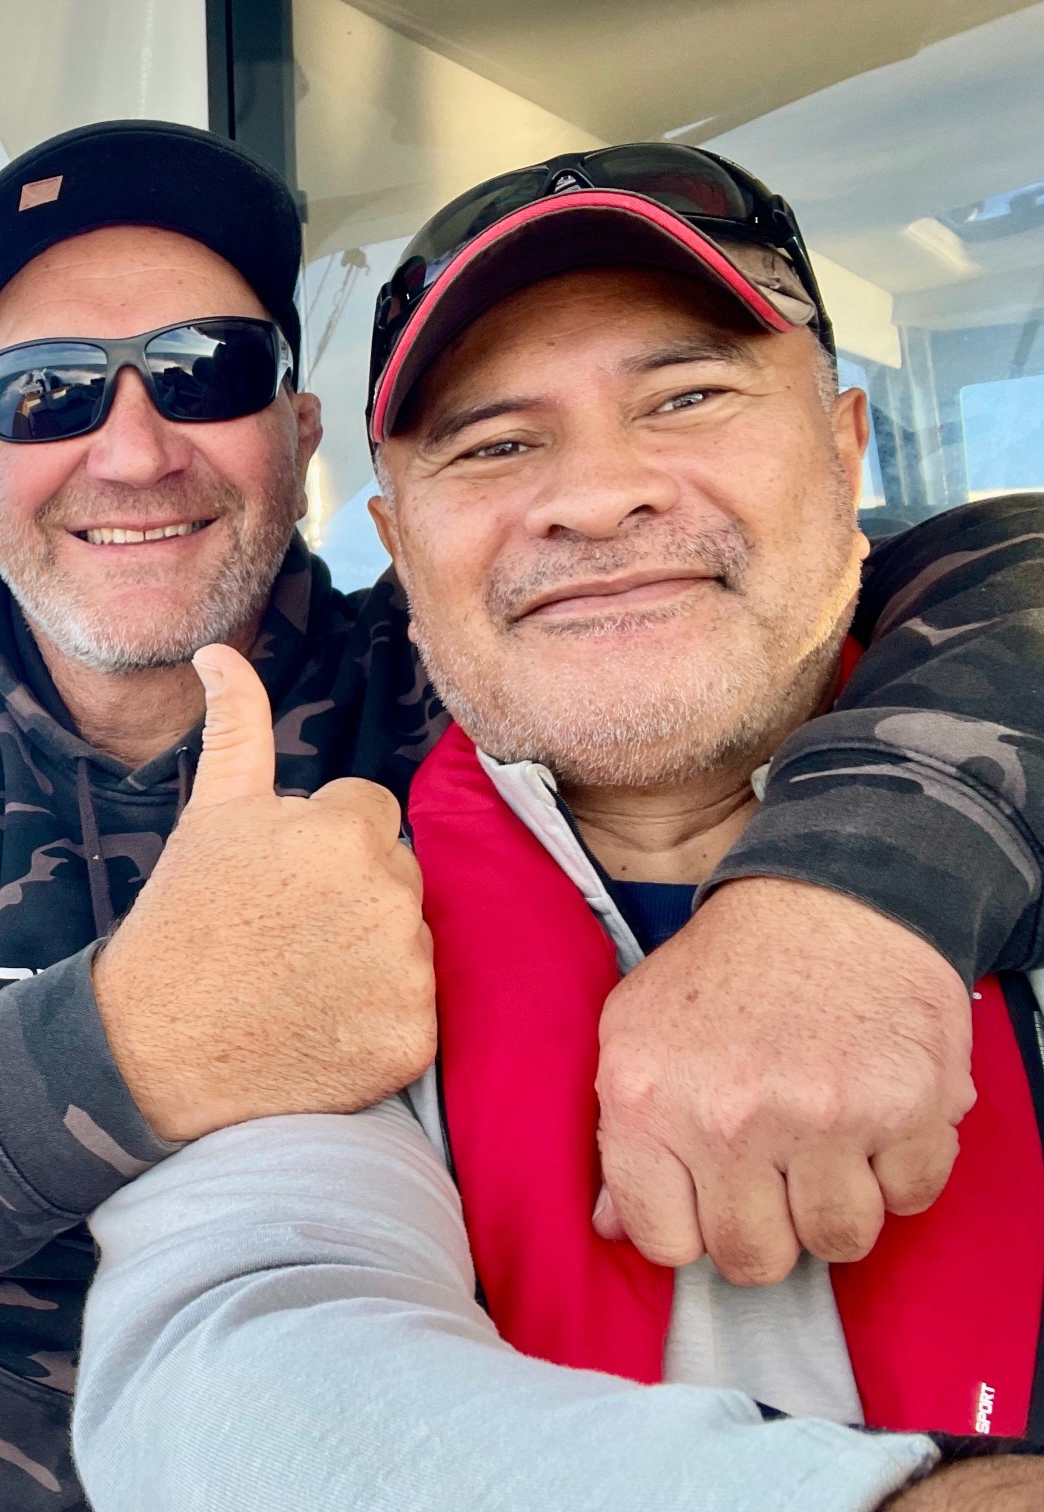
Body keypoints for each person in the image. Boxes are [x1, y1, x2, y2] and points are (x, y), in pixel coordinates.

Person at [0, 123, 1044, 1512]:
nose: (134, 451)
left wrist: (852, 887)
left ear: (299, 435)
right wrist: (131, 1042)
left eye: (204, 371)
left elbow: (975, 574)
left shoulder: (449, 662)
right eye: (47, 393)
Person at [72, 147, 1044, 1511]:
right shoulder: (335, 939)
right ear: (401, 551)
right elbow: (223, 1376)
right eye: (499, 443)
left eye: (687, 396)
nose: (598, 496)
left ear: (846, 449)